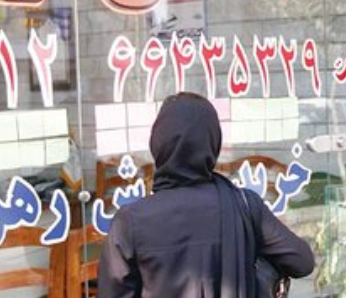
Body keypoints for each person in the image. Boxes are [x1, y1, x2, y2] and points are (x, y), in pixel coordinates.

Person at [98, 92, 314, 298]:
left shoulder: (130, 222)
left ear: (158, 143)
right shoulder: (245, 206)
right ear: (213, 143)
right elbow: (302, 262)